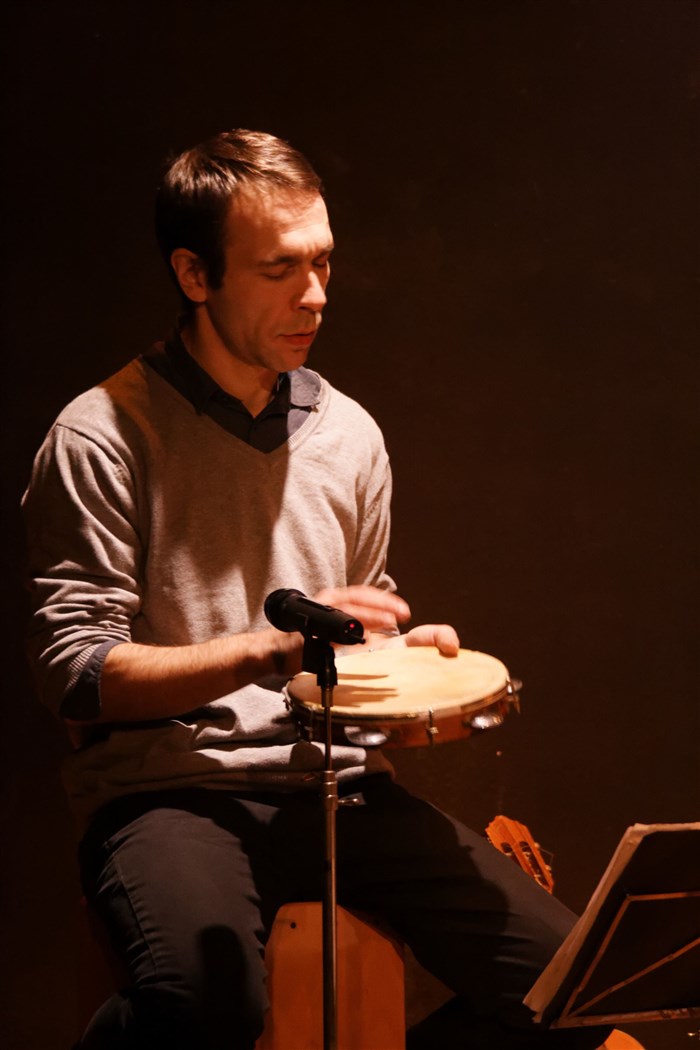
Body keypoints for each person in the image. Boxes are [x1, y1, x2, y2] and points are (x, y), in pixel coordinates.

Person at [23, 129, 610, 1049]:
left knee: (576, 991)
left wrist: (404, 664)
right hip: (173, 792)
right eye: (280, 269)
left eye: (323, 261)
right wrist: (267, 650)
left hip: (338, 785)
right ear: (194, 274)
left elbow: (350, 642)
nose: (316, 294)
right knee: (203, 1005)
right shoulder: (101, 436)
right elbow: (77, 675)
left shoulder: (350, 435)